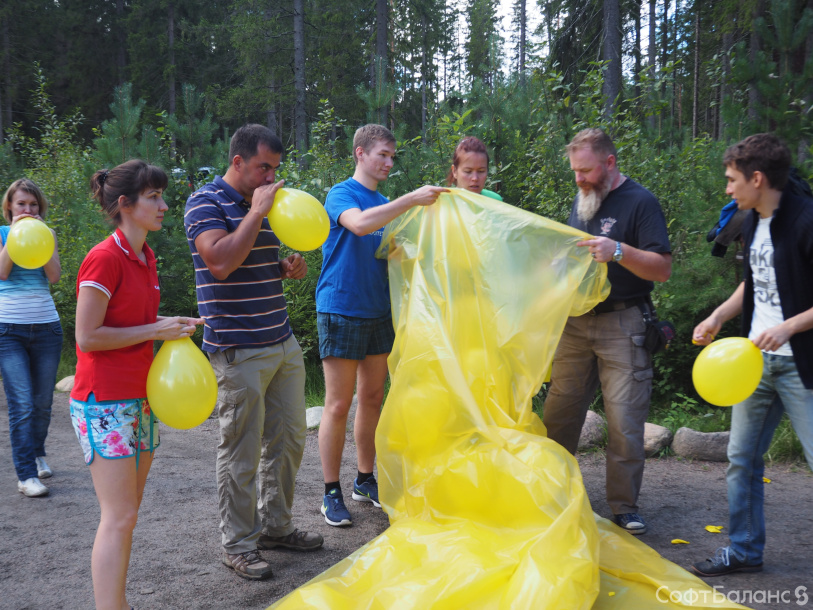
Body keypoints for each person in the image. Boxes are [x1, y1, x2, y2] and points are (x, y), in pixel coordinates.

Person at [184, 124, 322, 581]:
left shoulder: (263, 206)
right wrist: (256, 213)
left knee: (288, 441)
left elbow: (250, 262)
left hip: (280, 341)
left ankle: (276, 528)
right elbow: (220, 262)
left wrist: (284, 268)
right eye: (264, 167)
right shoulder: (205, 202)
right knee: (241, 449)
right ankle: (238, 545)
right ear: (238, 161)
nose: (271, 177)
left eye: (276, 169)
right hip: (237, 349)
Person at [70, 160, 202, 609]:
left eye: (163, 196)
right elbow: (86, 337)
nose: (164, 205)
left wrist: (167, 325)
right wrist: (155, 330)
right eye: (154, 197)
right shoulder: (105, 257)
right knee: (119, 515)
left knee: (128, 514)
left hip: (139, 398)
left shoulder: (146, 257)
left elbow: (137, 326)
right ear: (124, 204)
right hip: (103, 401)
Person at [691, 134, 813, 577]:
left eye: (731, 180)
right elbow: (755, 281)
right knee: (741, 458)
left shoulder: (805, 221)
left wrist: (789, 327)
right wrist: (718, 317)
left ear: (757, 178)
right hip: (754, 363)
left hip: (801, 366)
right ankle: (743, 552)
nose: (727, 189)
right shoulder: (752, 219)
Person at [315, 124, 447, 527]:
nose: (389, 162)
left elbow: (390, 250)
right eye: (382, 155)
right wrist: (411, 200)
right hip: (340, 307)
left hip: (378, 310)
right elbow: (358, 225)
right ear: (360, 153)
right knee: (338, 404)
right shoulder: (342, 194)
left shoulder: (386, 201)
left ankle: (365, 479)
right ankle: (330, 492)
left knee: (372, 398)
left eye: (393, 157)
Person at [542, 128, 672, 535]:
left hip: (625, 323)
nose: (578, 178)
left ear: (610, 163)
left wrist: (619, 251)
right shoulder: (582, 201)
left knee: (624, 421)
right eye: (574, 171)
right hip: (575, 323)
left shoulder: (641, 201)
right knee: (559, 414)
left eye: (585, 170)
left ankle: (623, 507)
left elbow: (663, 268)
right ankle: (551, 494)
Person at [0, 179, 62, 497]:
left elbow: (54, 275)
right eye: (22, 204)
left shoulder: (47, 234)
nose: (28, 209)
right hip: (8, 329)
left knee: (43, 403)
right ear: (9, 206)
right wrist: (15, 234)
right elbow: (2, 272)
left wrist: (40, 236)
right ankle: (26, 476)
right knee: (22, 404)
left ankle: (37, 452)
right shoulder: (1, 234)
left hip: (47, 329)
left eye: (33, 205)